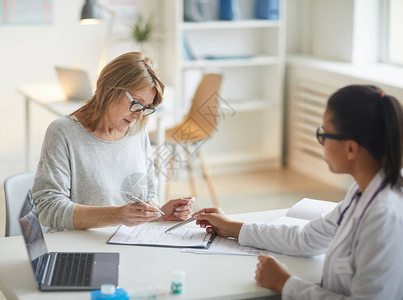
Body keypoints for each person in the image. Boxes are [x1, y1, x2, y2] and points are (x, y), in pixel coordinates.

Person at [193, 85, 403, 299]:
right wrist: (233, 228)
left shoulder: (384, 217)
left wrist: (285, 283)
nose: (321, 142)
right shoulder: (361, 192)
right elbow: (307, 238)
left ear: (350, 148)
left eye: (324, 134)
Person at [32, 52, 194, 232]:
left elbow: (148, 193)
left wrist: (159, 214)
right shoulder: (63, 132)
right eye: (136, 103)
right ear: (110, 89)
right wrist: (117, 215)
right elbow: (48, 209)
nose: (139, 115)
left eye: (146, 108)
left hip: (127, 243)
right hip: (78, 247)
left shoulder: (137, 132)